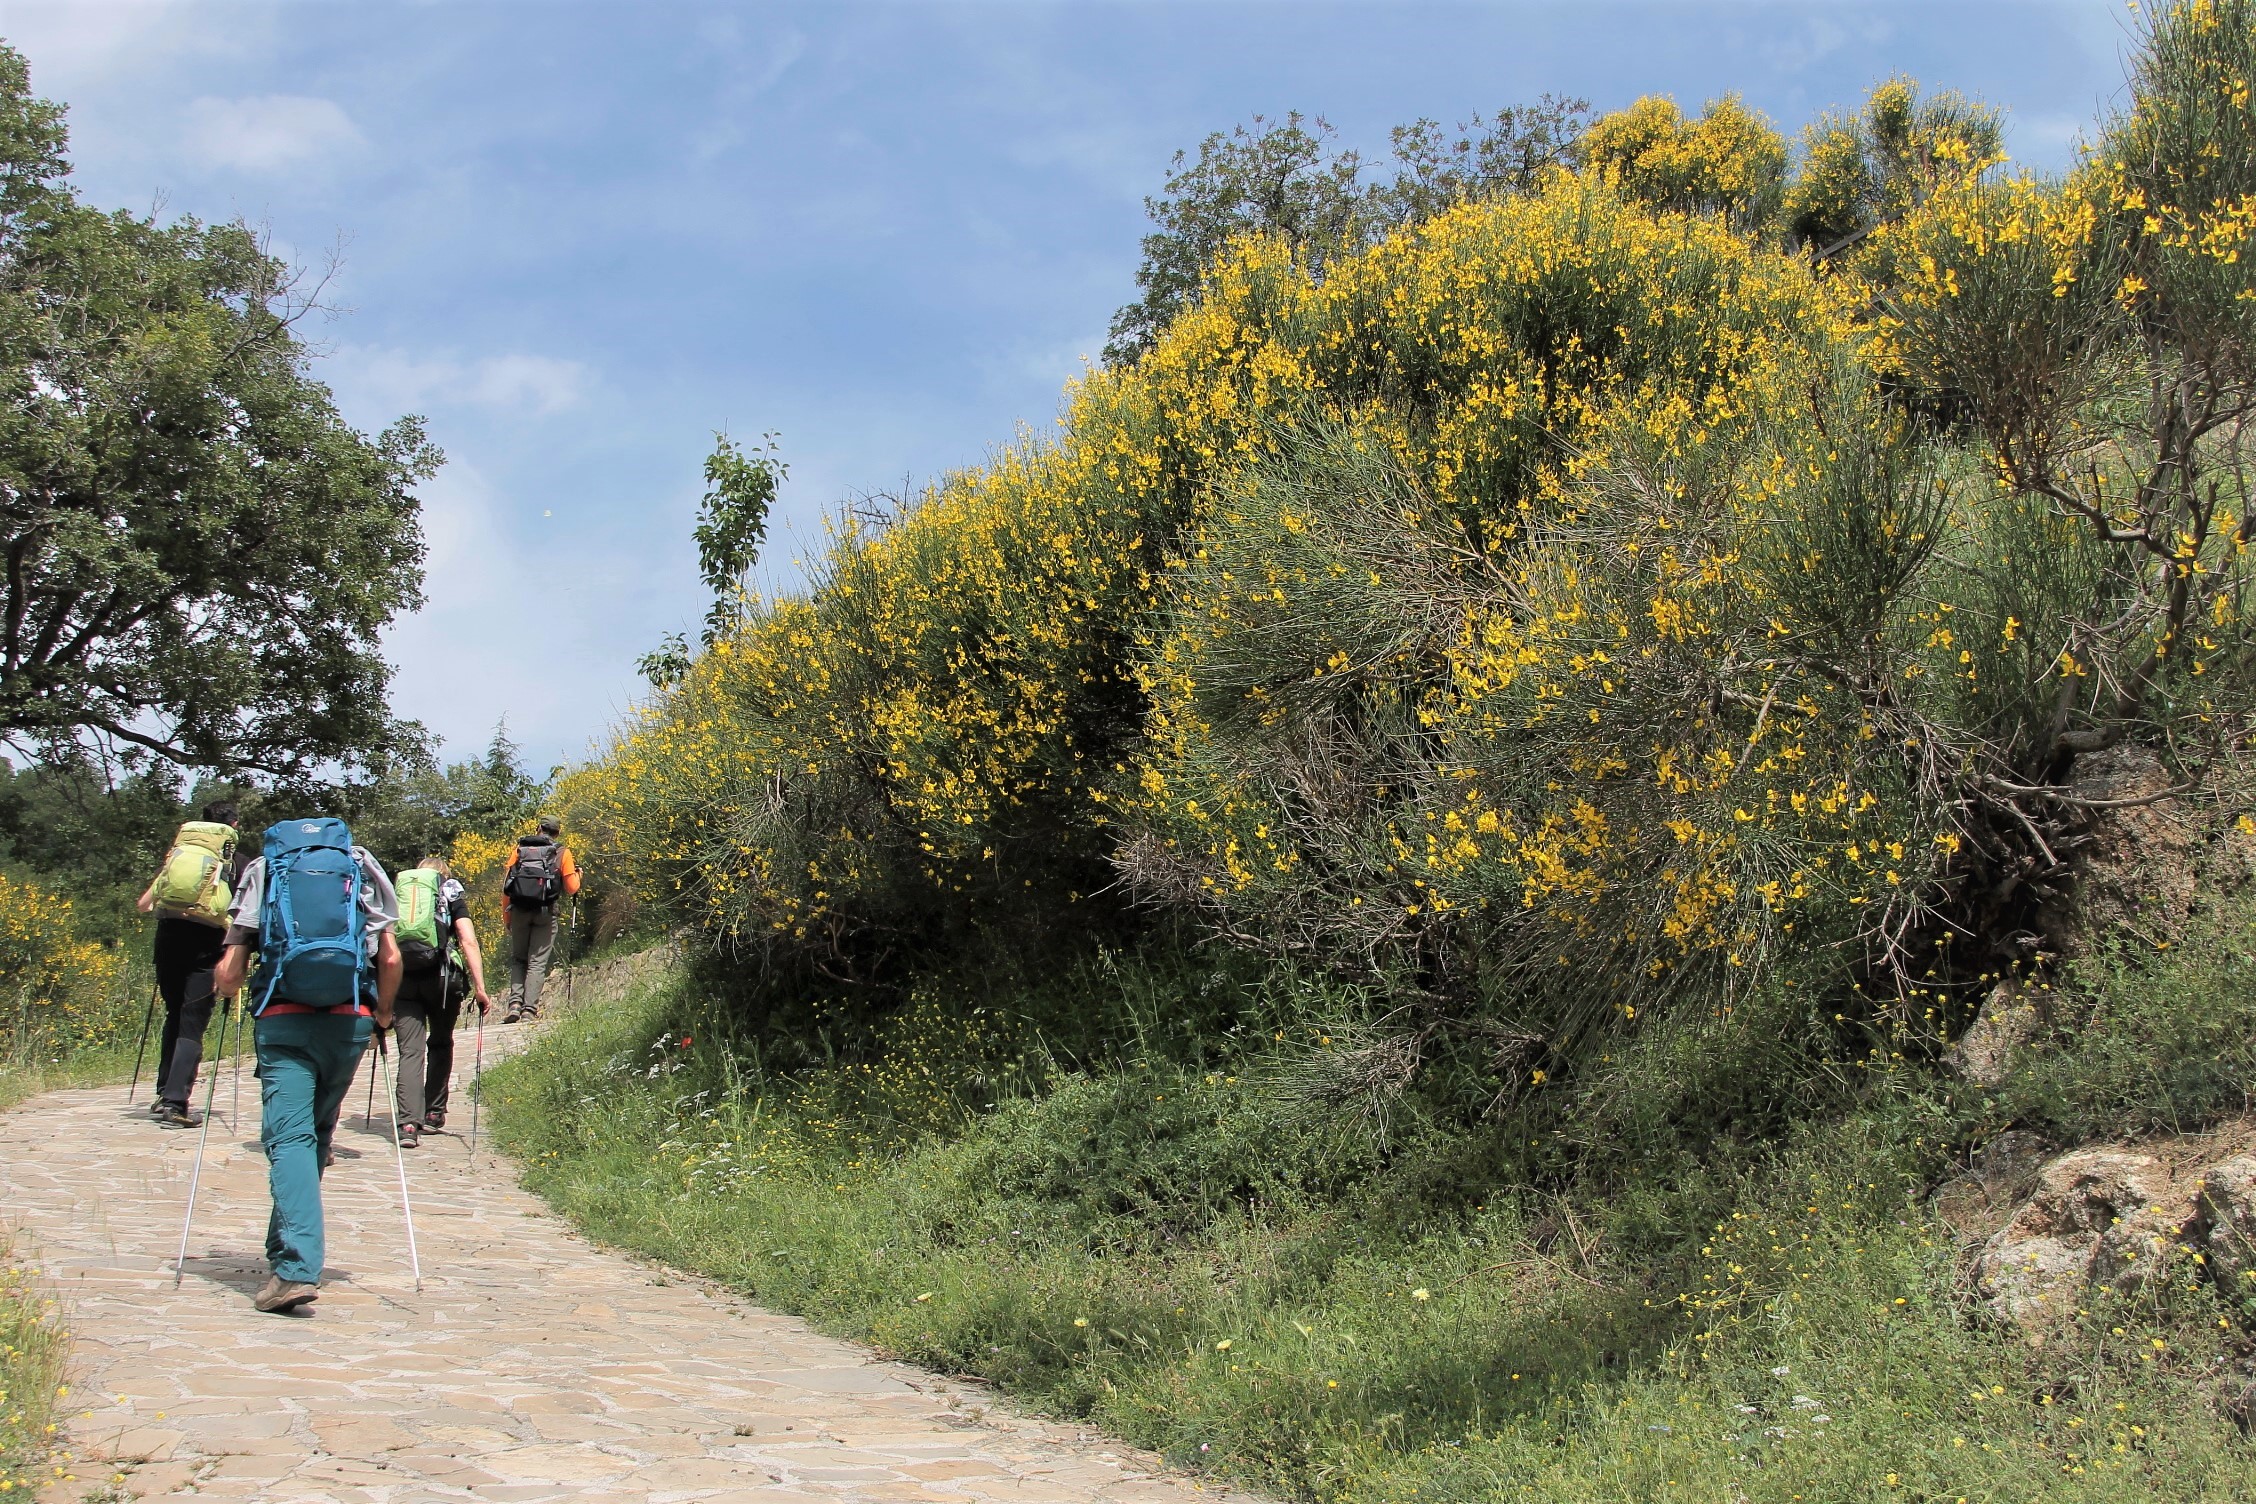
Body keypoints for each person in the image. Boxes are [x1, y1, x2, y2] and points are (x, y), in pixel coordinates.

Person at [212, 818, 401, 1316]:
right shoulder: (360, 867)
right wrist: (381, 1014)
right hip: (350, 1022)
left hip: (285, 1021)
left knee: (289, 1138)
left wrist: (225, 985)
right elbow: (391, 956)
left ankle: (296, 1266)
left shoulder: (265, 869)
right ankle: (284, 1253)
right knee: (314, 1136)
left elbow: (232, 971)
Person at [136, 799, 246, 1129]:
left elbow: (144, 904)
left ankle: (163, 1091)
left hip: (169, 938)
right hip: (209, 944)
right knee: (192, 1021)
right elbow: (245, 913)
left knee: (174, 1012)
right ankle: (175, 1102)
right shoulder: (236, 863)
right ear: (234, 827)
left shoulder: (178, 857)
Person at [390, 855, 492, 1148]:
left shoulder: (399, 893)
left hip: (404, 977)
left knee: (410, 1051)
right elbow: (467, 939)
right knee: (441, 1041)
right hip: (443, 979)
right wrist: (481, 988)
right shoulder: (450, 890)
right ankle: (433, 1112)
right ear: (442, 876)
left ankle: (409, 1122)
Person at [501, 816, 579, 1024]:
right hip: (546, 912)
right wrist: (578, 875)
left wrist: (507, 916)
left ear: (538, 828)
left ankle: (514, 1005)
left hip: (518, 910)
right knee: (537, 961)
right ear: (557, 833)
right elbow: (572, 888)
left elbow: (507, 887)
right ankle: (529, 1010)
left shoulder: (520, 850)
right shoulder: (562, 852)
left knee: (518, 958)